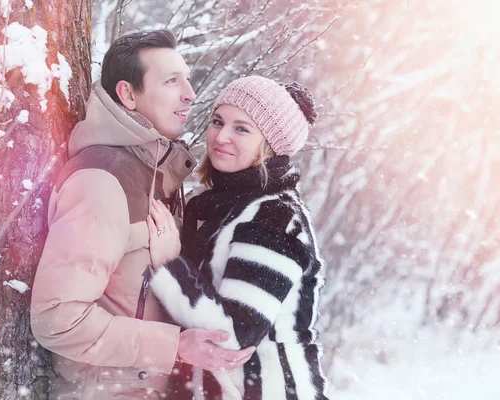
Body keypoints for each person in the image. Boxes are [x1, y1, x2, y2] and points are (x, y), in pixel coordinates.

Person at [30, 30, 254, 400]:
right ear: (128, 95)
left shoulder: (154, 171)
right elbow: (57, 319)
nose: (190, 94)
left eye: (186, 78)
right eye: (171, 81)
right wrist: (175, 346)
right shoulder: (102, 181)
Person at [147, 75, 329, 400]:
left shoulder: (274, 218)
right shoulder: (217, 207)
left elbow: (231, 336)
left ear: (270, 144)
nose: (221, 136)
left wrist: (167, 265)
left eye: (241, 128)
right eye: (218, 121)